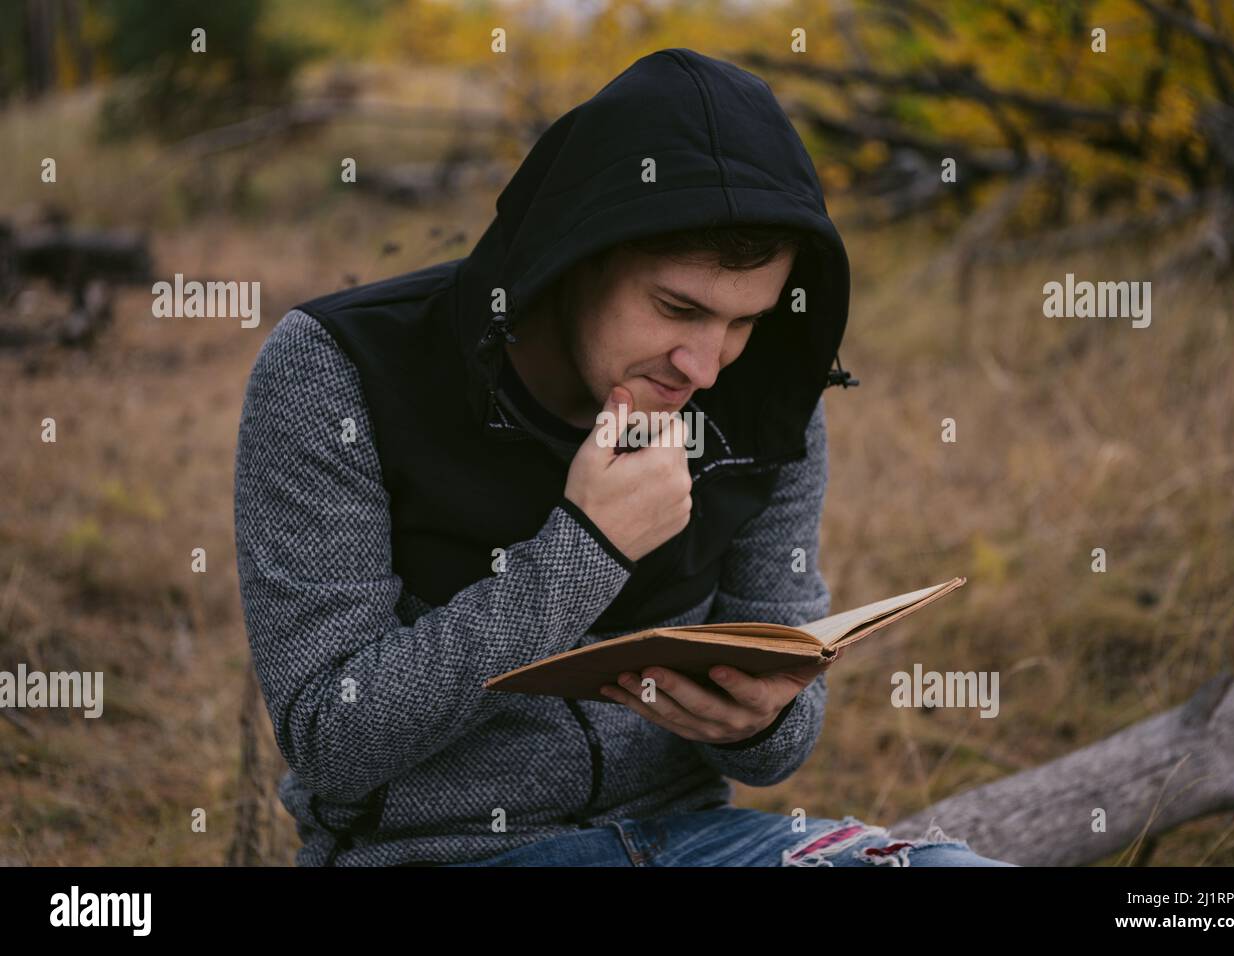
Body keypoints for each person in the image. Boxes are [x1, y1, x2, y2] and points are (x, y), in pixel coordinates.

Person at [233, 47, 1016, 867]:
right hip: (445, 853)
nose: (705, 367)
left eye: (744, 321)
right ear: (577, 256)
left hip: (695, 841)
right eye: (678, 307)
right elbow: (330, 735)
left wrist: (763, 721)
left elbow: (783, 743)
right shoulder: (342, 370)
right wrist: (585, 549)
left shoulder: (765, 395)